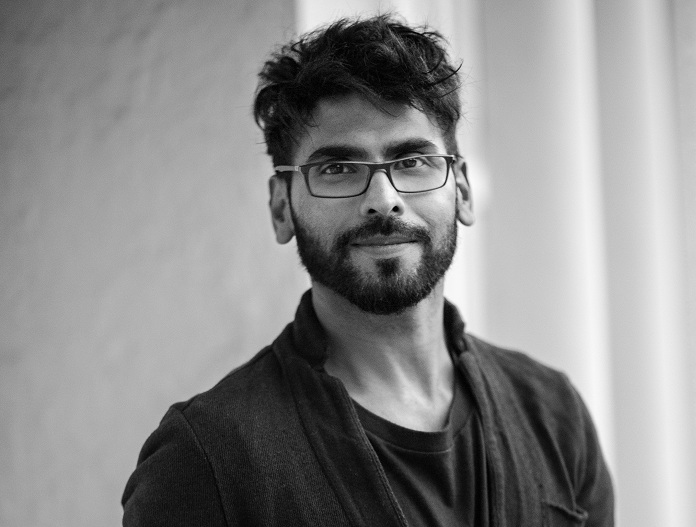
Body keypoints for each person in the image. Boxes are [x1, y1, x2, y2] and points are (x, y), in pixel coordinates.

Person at [122, 15, 614, 526]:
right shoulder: (206, 459)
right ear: (281, 207)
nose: (384, 199)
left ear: (462, 190)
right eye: (337, 169)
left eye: (412, 162)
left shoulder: (554, 416)